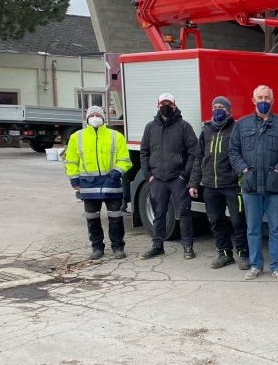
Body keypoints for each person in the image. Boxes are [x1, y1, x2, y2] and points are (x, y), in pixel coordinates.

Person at [228, 85, 278, 281]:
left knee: (276, 229)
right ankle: (256, 265)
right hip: (251, 186)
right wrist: (243, 169)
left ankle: (277, 266)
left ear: (273, 101)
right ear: (253, 100)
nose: (264, 101)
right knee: (253, 229)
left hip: (275, 187)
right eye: (260, 97)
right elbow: (233, 151)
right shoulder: (241, 125)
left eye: (267, 98)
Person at [189, 96, 249, 270]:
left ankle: (243, 254)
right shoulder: (206, 131)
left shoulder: (236, 129)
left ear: (229, 110)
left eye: (221, 107)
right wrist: (194, 183)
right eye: (215, 106)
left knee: (238, 221)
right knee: (215, 221)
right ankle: (224, 254)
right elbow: (198, 158)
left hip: (232, 185)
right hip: (210, 186)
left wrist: (243, 181)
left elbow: (243, 156)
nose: (217, 109)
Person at [65, 106, 132, 260]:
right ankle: (97, 247)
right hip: (88, 185)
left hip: (111, 183)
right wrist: (74, 180)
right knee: (92, 218)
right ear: (87, 118)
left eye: (98, 114)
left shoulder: (116, 136)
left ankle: (118, 247)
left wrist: (116, 173)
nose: (95, 117)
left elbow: (125, 159)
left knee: (115, 218)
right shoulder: (77, 137)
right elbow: (71, 161)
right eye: (92, 114)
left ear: (103, 118)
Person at [138, 93, 198, 260]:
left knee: (184, 213)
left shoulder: (184, 126)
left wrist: (185, 175)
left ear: (174, 106)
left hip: (178, 179)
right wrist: (148, 175)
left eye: (169, 104)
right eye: (162, 104)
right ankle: (157, 246)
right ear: (158, 106)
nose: (166, 106)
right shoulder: (150, 127)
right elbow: (144, 152)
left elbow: (194, 152)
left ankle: (188, 246)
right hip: (157, 179)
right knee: (159, 213)